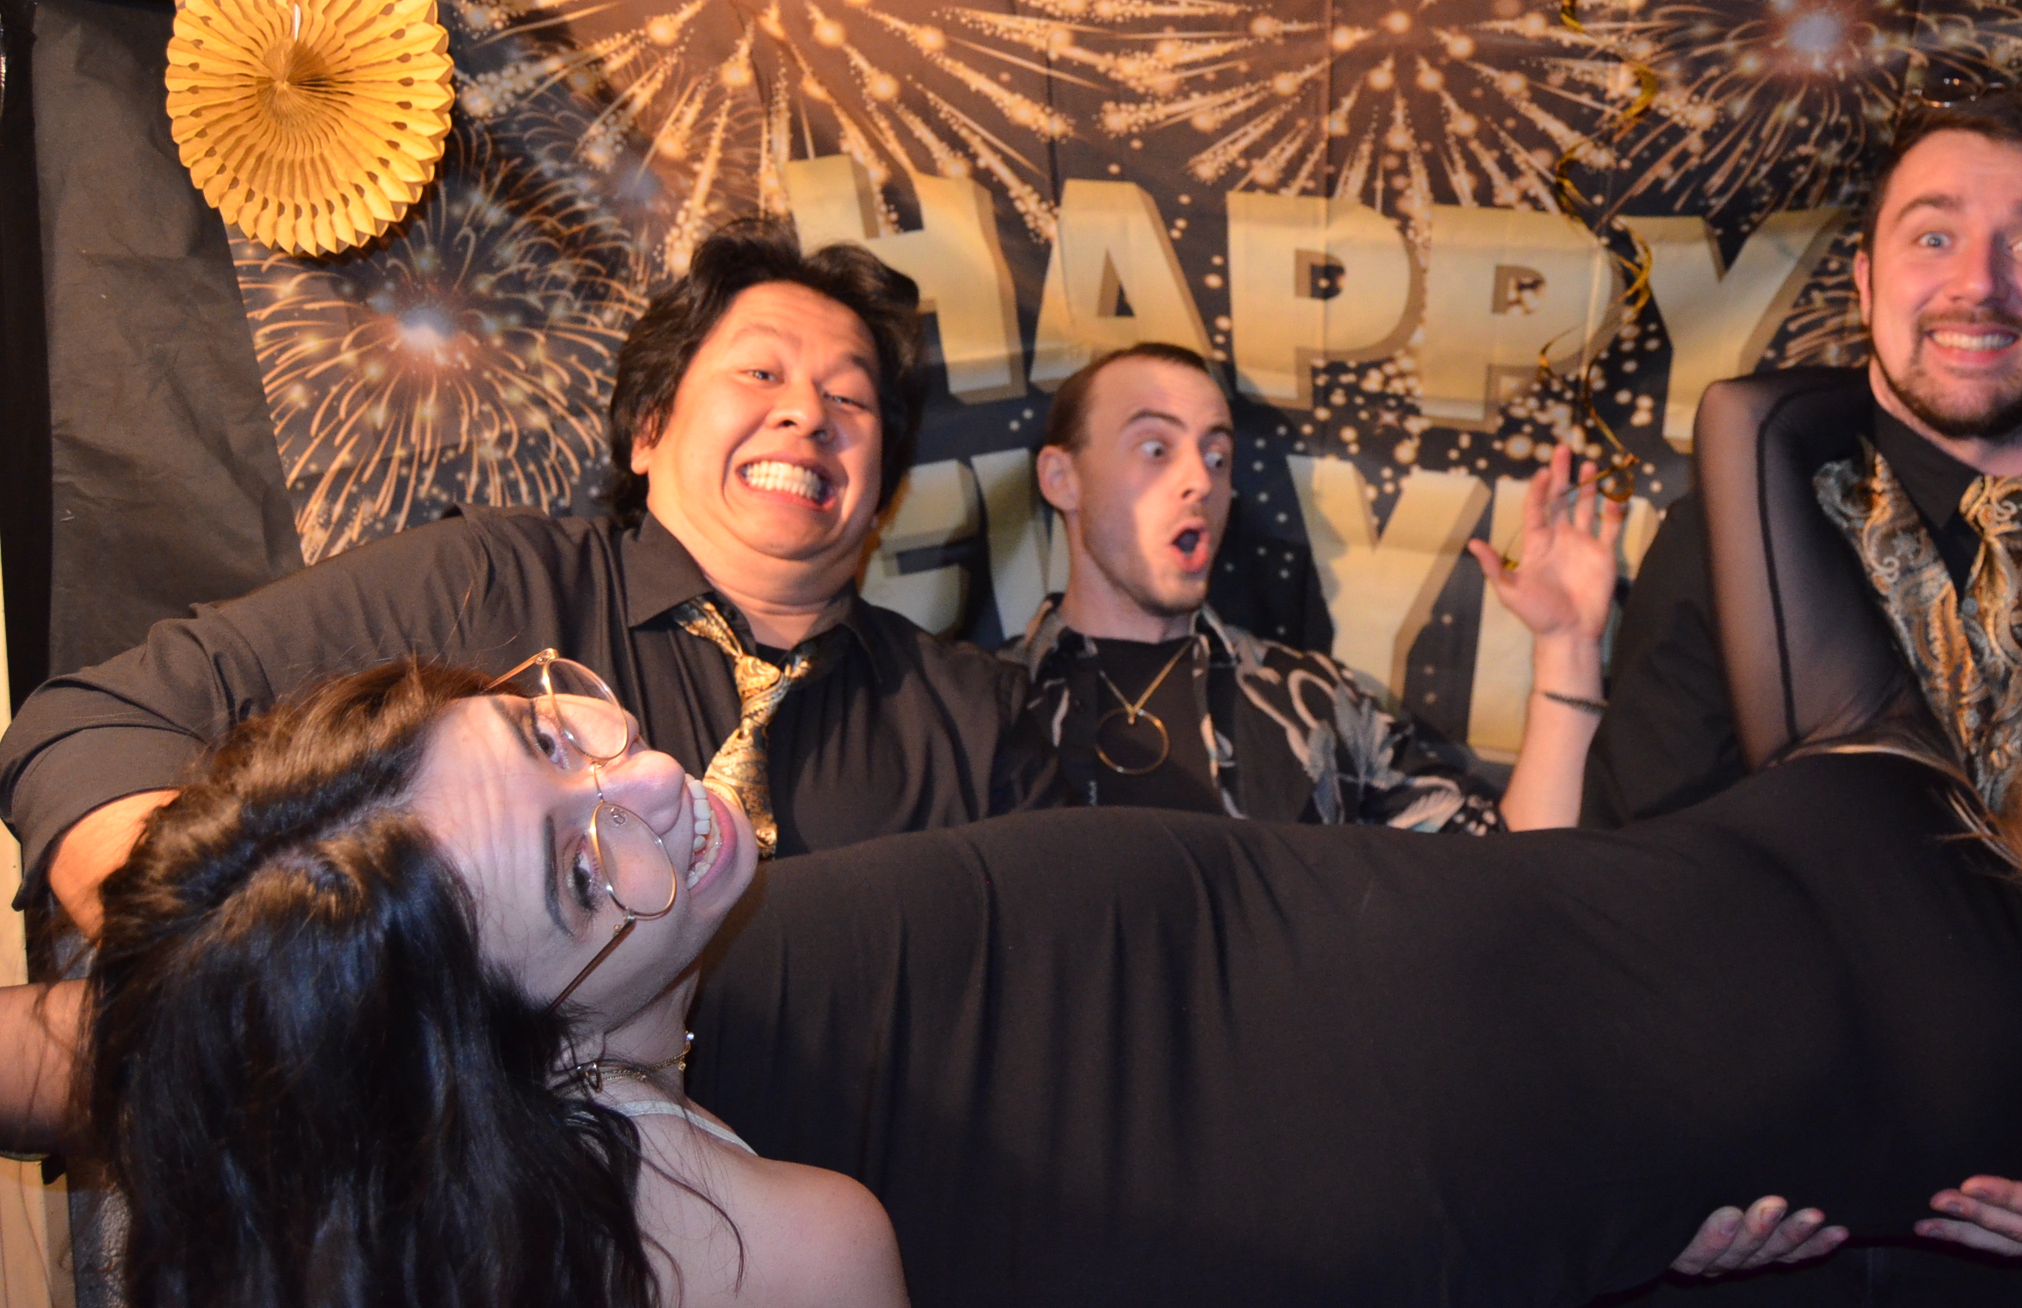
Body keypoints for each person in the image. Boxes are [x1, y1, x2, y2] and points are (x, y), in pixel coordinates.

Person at [685, 606, 2022, 1308]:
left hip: (1347, 1211)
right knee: (644, 997)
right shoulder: (1898, 762)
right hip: (1190, 932)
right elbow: (1754, 419)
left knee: (666, 1241)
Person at [1587, 81, 2022, 1277]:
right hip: (1780, 1211)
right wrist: (1651, 1174)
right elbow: (1642, 858)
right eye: (1933, 237)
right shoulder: (1741, 529)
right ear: (1864, 282)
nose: (1980, 284)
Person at [0, 220, 1057, 940]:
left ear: (882, 486)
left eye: (851, 398)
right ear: (648, 429)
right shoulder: (487, 586)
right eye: (761, 371)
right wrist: (214, 961)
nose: (807, 414)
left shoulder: (976, 721)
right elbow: (91, 722)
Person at [68, 653, 907, 1306]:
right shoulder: (799, 1246)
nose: (654, 776)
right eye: (582, 875)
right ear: (497, 1050)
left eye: (543, 736)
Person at [1010, 342, 1621, 830]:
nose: (1200, 478)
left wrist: (1567, 644)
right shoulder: (988, 706)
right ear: (1062, 477)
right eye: (1155, 448)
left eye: (1217, 457)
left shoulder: (1316, 705)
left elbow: (1516, 878)